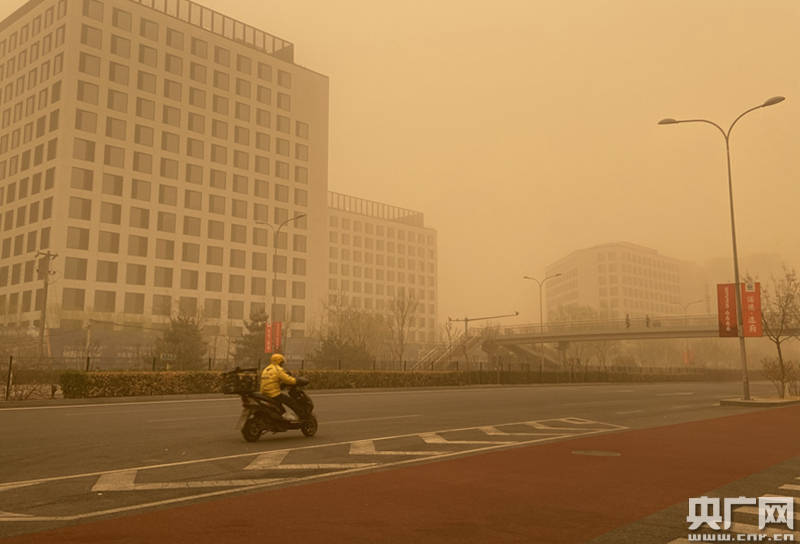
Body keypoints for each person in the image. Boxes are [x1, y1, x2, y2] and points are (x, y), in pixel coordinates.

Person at [260, 353, 302, 421]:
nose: (282, 364)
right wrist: (296, 381)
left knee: (278, 404)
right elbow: (287, 379)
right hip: (273, 393)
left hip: (264, 392)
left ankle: (280, 416)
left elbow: (273, 380)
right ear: (279, 361)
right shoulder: (278, 369)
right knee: (290, 401)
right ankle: (300, 415)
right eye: (282, 362)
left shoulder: (267, 368)